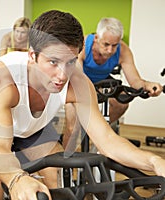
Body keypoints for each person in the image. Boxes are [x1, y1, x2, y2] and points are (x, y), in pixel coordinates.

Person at [0, 10, 165, 200]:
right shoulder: (3, 80)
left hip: (32, 130)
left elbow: (107, 142)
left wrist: (154, 162)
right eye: (53, 62)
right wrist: (16, 179)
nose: (62, 75)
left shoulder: (78, 83)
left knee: (57, 180)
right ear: (33, 56)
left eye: (70, 62)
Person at [63, 17, 163, 148]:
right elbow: (78, 78)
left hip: (103, 82)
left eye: (114, 45)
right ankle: (62, 164)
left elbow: (135, 81)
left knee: (121, 103)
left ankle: (99, 135)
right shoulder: (82, 45)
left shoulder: (123, 51)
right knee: (73, 127)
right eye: (106, 44)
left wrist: (147, 85)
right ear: (96, 38)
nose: (110, 50)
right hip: (78, 81)